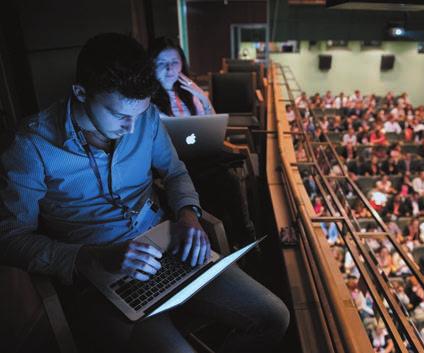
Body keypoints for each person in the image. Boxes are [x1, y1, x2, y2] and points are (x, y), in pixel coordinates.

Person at [0, 33, 289, 353]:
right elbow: (10, 238)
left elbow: (176, 173)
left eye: (139, 114)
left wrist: (188, 216)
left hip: (166, 247)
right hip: (98, 277)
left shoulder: (145, 117)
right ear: (81, 93)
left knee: (274, 316)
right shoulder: (31, 145)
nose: (132, 128)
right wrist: (90, 257)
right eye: (121, 115)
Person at [149, 38, 256, 250]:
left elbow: (212, 121)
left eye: (175, 62)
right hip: (169, 164)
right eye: (162, 63)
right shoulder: (147, 101)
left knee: (226, 181)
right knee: (222, 182)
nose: (170, 69)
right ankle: (233, 239)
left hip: (201, 156)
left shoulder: (190, 93)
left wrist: (199, 93)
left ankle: (241, 237)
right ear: (150, 65)